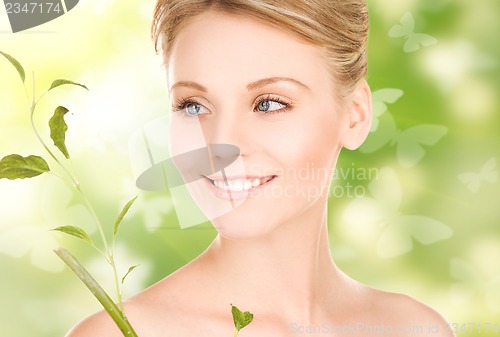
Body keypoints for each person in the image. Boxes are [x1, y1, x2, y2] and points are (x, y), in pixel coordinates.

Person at [67, 1, 454, 336]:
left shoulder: (415, 329)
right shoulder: (119, 333)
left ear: (354, 115)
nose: (222, 145)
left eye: (268, 103)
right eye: (193, 105)